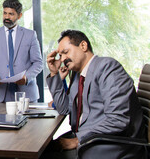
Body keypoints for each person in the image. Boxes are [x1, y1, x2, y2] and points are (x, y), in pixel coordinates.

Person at [44, 29, 146, 158]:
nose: (63, 59)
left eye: (65, 52)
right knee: (43, 151)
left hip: (112, 143)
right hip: (89, 137)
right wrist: (54, 74)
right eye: (60, 55)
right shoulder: (77, 75)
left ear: (83, 46)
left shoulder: (108, 67)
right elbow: (64, 109)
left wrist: (77, 140)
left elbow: (117, 119)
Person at [0, 0, 43, 102]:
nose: (6, 17)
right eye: (5, 13)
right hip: (0, 94)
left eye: (11, 14)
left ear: (19, 16)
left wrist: (27, 77)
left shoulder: (30, 35)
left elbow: (38, 62)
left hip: (26, 93)